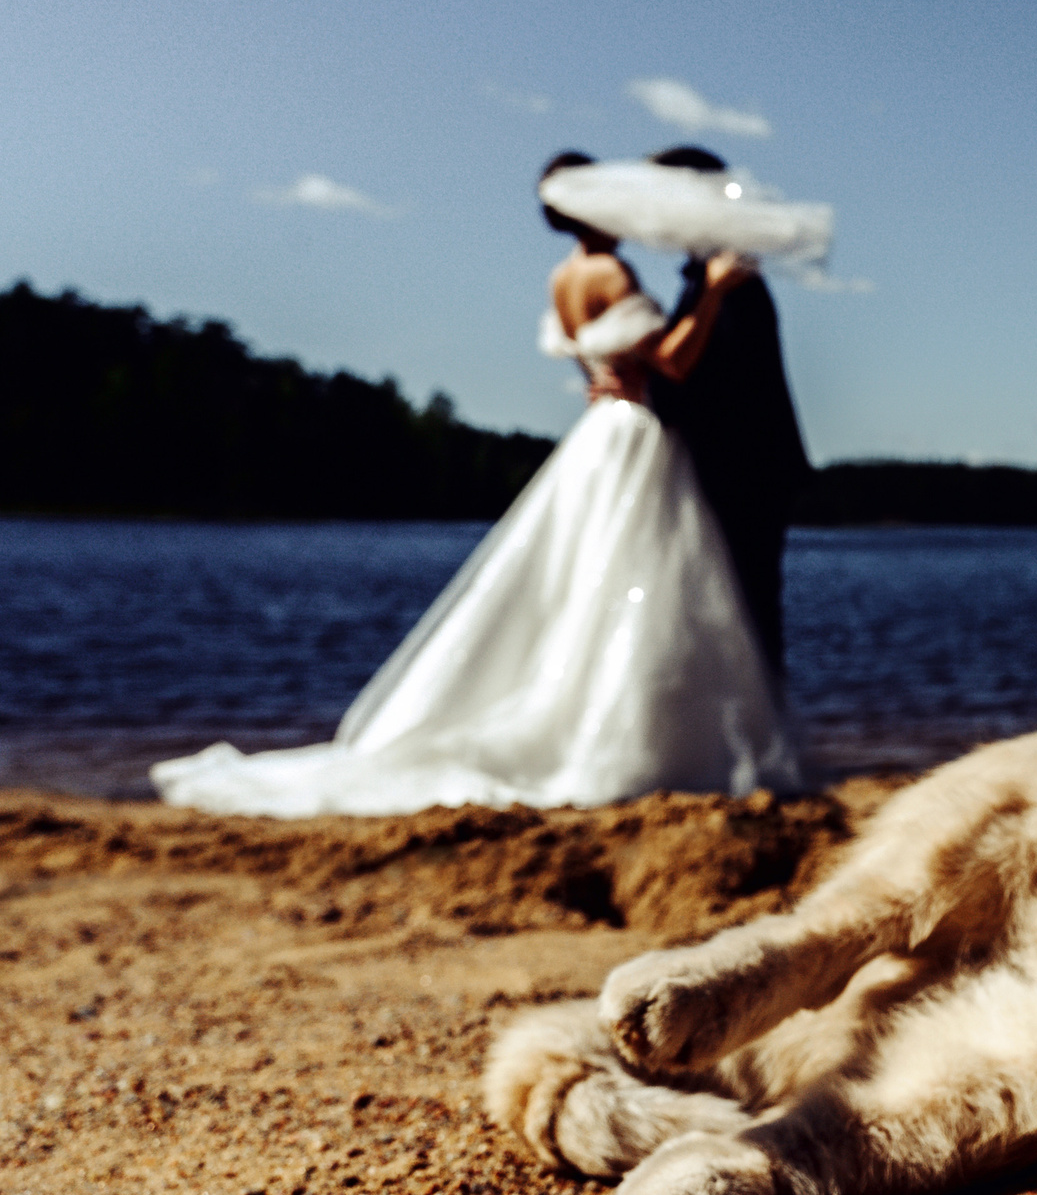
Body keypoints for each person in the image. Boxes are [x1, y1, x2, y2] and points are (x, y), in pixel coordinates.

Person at [150, 152, 802, 817]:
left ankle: (619, 729)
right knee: (627, 583)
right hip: (633, 433)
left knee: (585, 585)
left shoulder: (563, 277)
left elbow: (607, 359)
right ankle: (637, 738)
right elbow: (667, 359)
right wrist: (712, 295)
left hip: (601, 434)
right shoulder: (612, 271)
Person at [642, 144, 812, 676]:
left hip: (744, 472)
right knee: (737, 605)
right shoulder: (714, 276)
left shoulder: (727, 280)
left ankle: (764, 742)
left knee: (748, 605)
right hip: (740, 468)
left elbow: (717, 382)